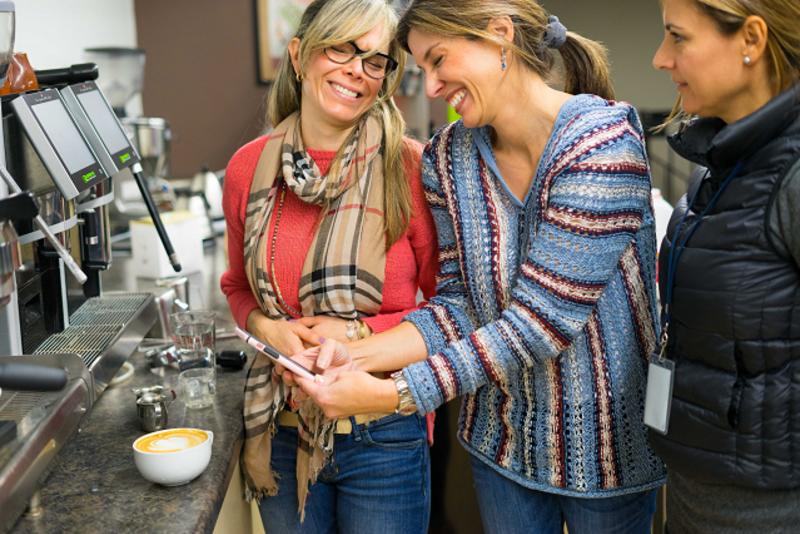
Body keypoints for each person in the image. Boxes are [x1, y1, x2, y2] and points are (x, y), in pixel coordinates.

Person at [285, 1, 667, 532]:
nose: (434, 85)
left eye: (438, 60)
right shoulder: (448, 158)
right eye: (421, 68)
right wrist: (349, 356)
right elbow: (458, 305)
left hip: (605, 448)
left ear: (499, 34)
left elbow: (540, 324)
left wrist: (392, 393)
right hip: (500, 444)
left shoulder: (602, 144)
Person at [219, 0, 438, 531]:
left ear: (386, 76)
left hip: (383, 432)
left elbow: (446, 305)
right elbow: (236, 287)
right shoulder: (249, 167)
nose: (355, 71)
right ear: (299, 56)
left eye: (374, 59)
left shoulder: (411, 166)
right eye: (341, 47)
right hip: (280, 428)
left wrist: (359, 333)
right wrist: (266, 325)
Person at [649, 0, 800, 531]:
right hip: (697, 492)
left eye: (678, 37)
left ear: (751, 41)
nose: (659, 59)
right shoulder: (720, 165)